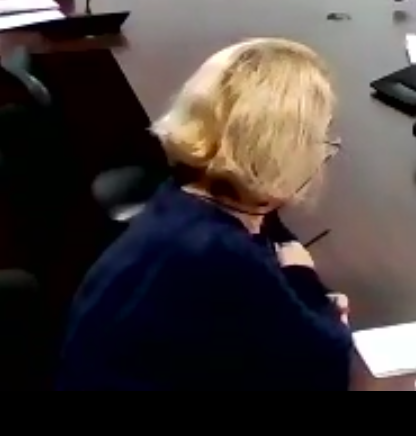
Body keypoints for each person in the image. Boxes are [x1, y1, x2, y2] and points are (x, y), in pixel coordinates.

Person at [57, 39, 354, 391]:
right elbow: (325, 365)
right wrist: (306, 281)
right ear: (282, 150)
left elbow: (268, 239)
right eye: (320, 140)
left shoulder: (180, 198)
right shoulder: (222, 252)